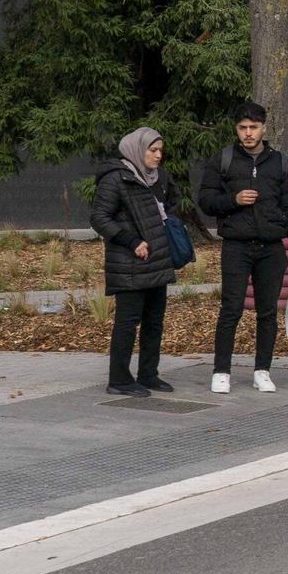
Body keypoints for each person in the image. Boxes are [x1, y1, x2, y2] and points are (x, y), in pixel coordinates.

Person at [197, 101, 288, 394]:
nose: (248, 133)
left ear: (264, 128)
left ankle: (263, 370)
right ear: (236, 129)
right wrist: (233, 200)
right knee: (231, 309)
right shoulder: (223, 160)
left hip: (271, 247)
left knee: (267, 312)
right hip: (236, 245)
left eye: (253, 127)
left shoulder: (279, 163)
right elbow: (206, 202)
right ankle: (221, 371)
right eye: (242, 128)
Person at [90, 127, 180, 397]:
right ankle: (118, 379)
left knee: (154, 321)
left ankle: (148, 374)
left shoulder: (158, 178)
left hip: (157, 259)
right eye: (152, 150)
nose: (158, 155)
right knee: (128, 322)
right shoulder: (116, 178)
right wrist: (132, 241)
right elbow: (99, 218)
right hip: (129, 261)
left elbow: (172, 204)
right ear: (137, 150)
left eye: (160, 150)